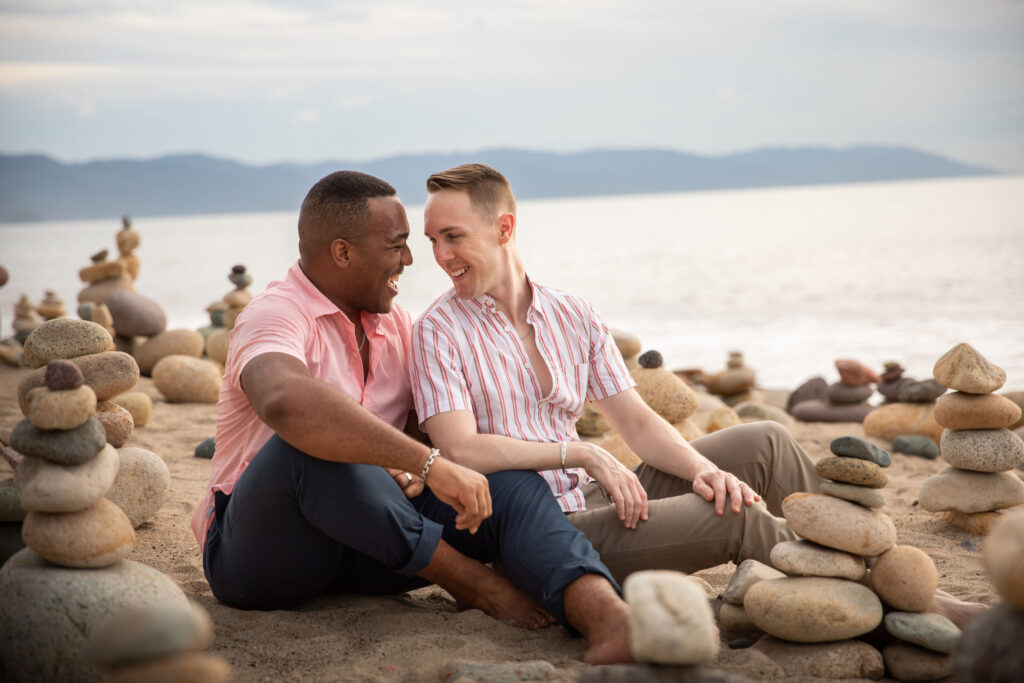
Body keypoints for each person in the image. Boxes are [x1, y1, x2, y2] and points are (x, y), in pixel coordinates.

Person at [408, 163, 986, 626]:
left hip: (592, 497)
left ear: (503, 228)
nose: (441, 256)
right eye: (433, 239)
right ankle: (909, 604)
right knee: (734, 516)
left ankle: (889, 578)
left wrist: (699, 467)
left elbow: (635, 422)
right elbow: (458, 450)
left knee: (766, 441)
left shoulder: (572, 313)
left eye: (453, 236)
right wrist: (581, 451)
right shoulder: (438, 329)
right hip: (544, 535)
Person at [191, 170, 633, 664]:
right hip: (264, 557)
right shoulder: (274, 314)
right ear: (343, 253)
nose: (409, 259)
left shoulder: (395, 325)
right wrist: (425, 463)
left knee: (510, 486)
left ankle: (605, 616)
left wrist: (417, 465)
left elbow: (421, 429)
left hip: (372, 545)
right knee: (311, 450)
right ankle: (474, 584)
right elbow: (285, 401)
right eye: (397, 245)